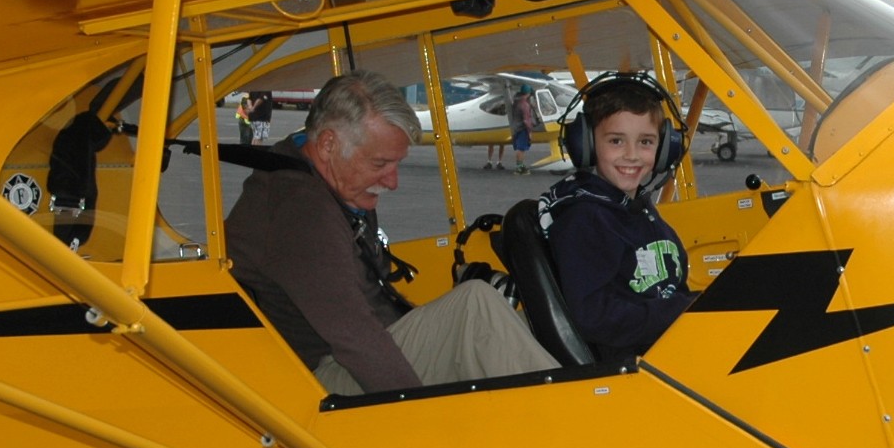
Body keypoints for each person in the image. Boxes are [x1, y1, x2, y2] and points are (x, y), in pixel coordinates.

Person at [226, 70, 558, 395]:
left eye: (396, 165)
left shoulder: (318, 181)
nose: (392, 181)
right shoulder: (301, 210)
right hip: (318, 379)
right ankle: (574, 423)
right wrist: (414, 415)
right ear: (328, 144)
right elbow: (354, 337)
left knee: (516, 323)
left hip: (350, 356)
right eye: (380, 164)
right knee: (475, 309)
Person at [540, 75, 692, 361]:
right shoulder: (584, 220)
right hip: (628, 369)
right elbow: (594, 316)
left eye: (646, 142)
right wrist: (683, 311)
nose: (632, 155)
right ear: (585, 144)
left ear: (663, 150)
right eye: (616, 141)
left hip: (666, 350)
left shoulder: (641, 213)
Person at [509, 86, 536, 175]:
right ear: (528, 93)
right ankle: (519, 168)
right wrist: (530, 132)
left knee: (521, 148)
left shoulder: (517, 102)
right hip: (522, 128)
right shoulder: (524, 104)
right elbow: (526, 120)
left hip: (517, 127)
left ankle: (520, 166)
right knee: (521, 149)